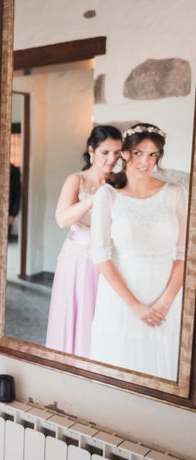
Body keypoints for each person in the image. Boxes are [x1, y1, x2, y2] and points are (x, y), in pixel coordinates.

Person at [90, 123, 187, 379]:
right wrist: (134, 305)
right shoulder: (108, 196)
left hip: (164, 296)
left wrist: (165, 303)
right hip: (121, 299)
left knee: (161, 370)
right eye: (139, 153)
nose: (146, 162)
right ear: (125, 153)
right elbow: (100, 255)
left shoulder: (176, 193)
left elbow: (184, 253)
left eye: (153, 154)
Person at [45, 126, 122, 356]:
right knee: (77, 314)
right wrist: (94, 199)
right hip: (78, 260)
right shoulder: (76, 180)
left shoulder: (120, 181)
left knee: (101, 317)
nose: (112, 159)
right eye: (106, 152)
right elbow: (61, 218)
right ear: (91, 150)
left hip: (108, 261)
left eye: (117, 153)